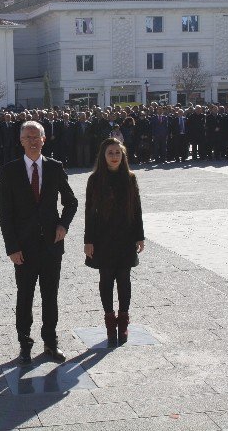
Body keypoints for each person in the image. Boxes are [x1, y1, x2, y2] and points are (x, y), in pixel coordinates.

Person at [0, 120, 78, 366]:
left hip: (51, 245)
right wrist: (12, 247)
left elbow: (71, 201)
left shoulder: (55, 168)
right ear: (21, 141)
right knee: (25, 296)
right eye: (28, 137)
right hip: (23, 247)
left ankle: (50, 342)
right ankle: (24, 344)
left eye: (37, 137)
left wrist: (63, 225)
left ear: (44, 139)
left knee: (50, 295)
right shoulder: (10, 171)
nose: (33, 141)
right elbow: (5, 213)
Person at [84, 138, 144, 346]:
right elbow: (90, 212)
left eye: (118, 153)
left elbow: (136, 209)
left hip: (126, 237)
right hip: (103, 238)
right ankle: (110, 321)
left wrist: (140, 235)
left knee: (124, 279)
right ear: (103, 156)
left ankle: (124, 321)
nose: (114, 156)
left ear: (123, 155)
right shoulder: (95, 180)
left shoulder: (130, 178)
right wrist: (88, 240)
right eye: (110, 153)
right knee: (106, 278)